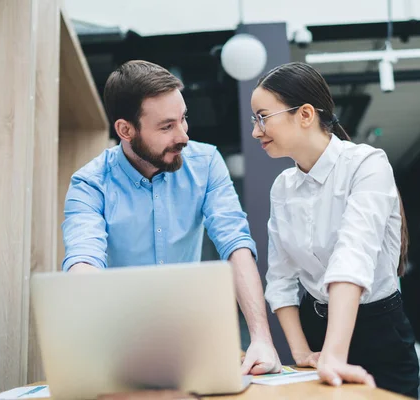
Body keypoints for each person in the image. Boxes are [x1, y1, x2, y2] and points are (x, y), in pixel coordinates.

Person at [62, 60, 281, 376]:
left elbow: (235, 245)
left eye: (183, 120)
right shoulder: (90, 183)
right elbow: (84, 260)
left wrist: (261, 337)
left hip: (188, 341)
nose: (183, 137)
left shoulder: (205, 163)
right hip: (116, 342)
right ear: (126, 130)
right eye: (166, 127)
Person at [250, 62, 419, 397]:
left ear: (306, 114)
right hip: (315, 328)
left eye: (263, 117)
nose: (257, 131)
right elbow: (281, 279)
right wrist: (301, 352)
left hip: (379, 330)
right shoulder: (283, 187)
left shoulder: (367, 165)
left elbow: (351, 258)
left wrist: (335, 355)